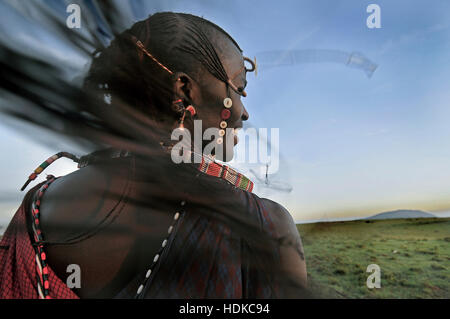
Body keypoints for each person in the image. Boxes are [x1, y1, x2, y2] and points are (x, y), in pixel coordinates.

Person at [0, 12, 307, 299]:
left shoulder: (36, 205)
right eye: (239, 90)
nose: (244, 112)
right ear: (185, 88)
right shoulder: (265, 225)